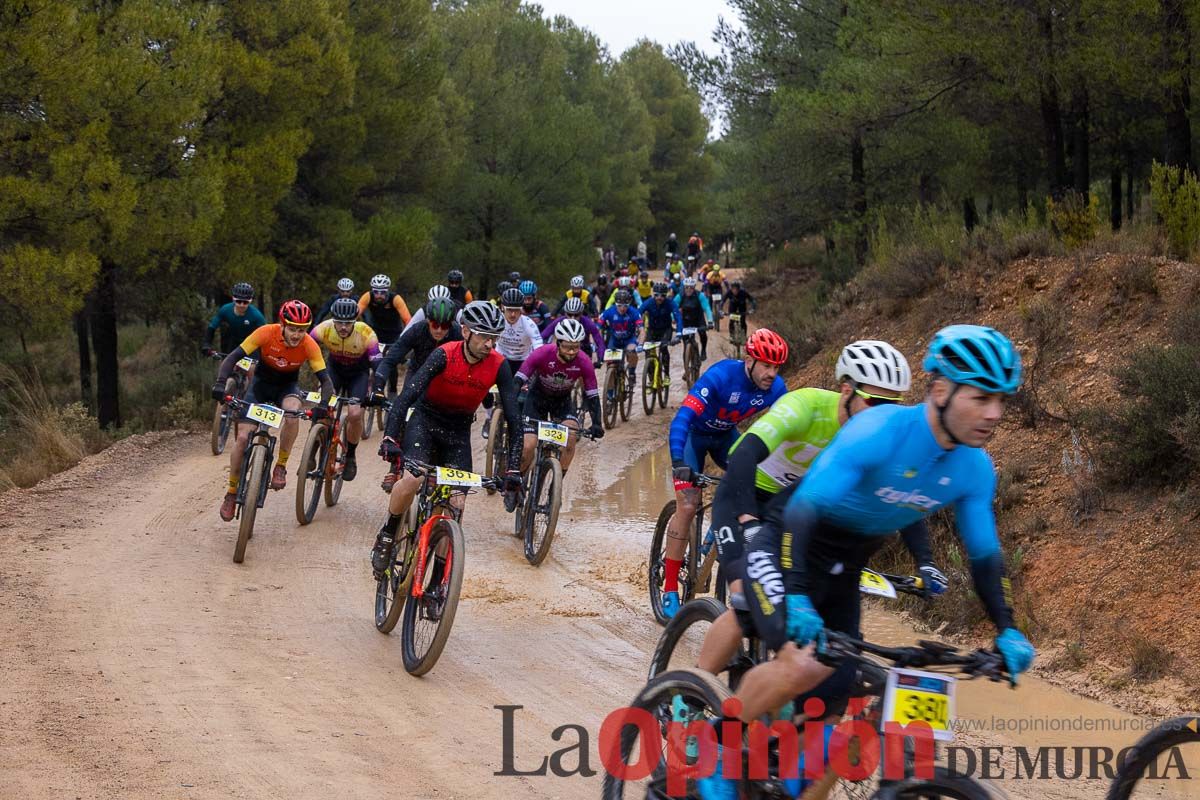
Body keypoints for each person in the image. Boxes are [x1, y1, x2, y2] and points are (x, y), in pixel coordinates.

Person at [697, 326, 1036, 799]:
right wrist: (795, 595)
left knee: (834, 704)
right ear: (941, 391)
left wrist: (1006, 628)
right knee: (801, 666)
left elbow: (984, 555)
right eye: (981, 398)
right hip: (788, 545)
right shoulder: (878, 431)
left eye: (1001, 401)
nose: (994, 413)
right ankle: (718, 751)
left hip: (845, 567)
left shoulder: (974, 468)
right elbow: (803, 510)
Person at [693, 341, 924, 681]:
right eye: (873, 402)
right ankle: (691, 694)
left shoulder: (876, 437)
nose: (881, 414)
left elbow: (893, 500)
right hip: (743, 493)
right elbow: (743, 458)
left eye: (891, 406)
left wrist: (925, 564)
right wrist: (748, 521)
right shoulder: (806, 405)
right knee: (744, 596)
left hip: (787, 504)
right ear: (847, 390)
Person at [371, 301, 523, 578]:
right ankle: (387, 534)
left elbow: (514, 419)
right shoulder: (444, 354)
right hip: (425, 422)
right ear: (465, 331)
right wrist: (391, 437)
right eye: (484, 336)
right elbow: (406, 397)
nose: (490, 344)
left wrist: (512, 468)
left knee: (455, 504)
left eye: (494, 338)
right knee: (413, 479)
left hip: (458, 433)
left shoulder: (498, 366)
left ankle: (438, 581)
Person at [659, 329, 789, 618]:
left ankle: (717, 533)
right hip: (694, 436)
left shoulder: (776, 389)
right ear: (748, 360)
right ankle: (669, 588)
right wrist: (679, 459)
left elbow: (788, 433)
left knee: (754, 486)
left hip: (726, 437)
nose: (772, 373)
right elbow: (683, 418)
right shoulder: (721, 376)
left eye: (776, 366)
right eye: (766, 365)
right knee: (689, 504)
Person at [210, 300, 334, 521]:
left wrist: (322, 406)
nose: (297, 334)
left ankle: (281, 465)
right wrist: (220, 384)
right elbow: (232, 358)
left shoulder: (309, 344)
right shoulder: (266, 333)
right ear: (282, 324)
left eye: (302, 329)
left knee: (293, 412)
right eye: (293, 328)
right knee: (241, 439)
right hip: (260, 386)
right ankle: (230, 492)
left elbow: (325, 381)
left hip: (286, 388)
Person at [374, 296, 464, 492]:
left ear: (452, 325)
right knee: (404, 411)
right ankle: (395, 467)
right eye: (434, 324)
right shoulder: (417, 330)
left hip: (444, 379)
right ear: (427, 320)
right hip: (417, 374)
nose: (439, 329)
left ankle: (435, 468)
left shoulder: (457, 334)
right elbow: (391, 359)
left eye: (445, 325)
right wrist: (379, 385)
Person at [515, 320, 605, 474]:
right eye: (567, 347)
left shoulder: (584, 362)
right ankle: (515, 485)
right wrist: (512, 407)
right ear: (558, 343)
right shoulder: (542, 353)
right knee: (528, 446)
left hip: (562, 402)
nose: (571, 352)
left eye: (576, 347)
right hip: (536, 399)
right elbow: (518, 381)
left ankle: (556, 484)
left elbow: (592, 395)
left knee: (570, 439)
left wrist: (597, 423)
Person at [308, 298, 381, 481]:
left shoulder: (366, 333)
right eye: (339, 322)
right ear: (333, 320)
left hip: (358, 375)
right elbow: (305, 346)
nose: (342, 327)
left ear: (354, 321)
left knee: (355, 414)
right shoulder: (324, 328)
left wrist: (378, 388)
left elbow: (378, 364)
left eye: (347, 323)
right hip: (334, 371)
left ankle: (350, 456)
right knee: (321, 405)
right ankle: (313, 449)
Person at [481, 287, 543, 437]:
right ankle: (490, 418)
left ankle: (524, 425)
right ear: (503, 307)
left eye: (516, 310)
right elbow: (484, 340)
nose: (513, 314)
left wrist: (537, 367)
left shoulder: (528, 324)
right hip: (502, 360)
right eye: (509, 310)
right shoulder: (497, 321)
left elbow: (538, 347)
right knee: (483, 387)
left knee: (524, 397)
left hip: (524, 363)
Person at [358, 274, 412, 395]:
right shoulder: (368, 296)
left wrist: (405, 337)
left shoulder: (395, 299)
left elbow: (408, 320)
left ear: (387, 291)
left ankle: (393, 392)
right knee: (366, 359)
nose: (379, 295)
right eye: (376, 292)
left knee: (391, 364)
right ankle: (363, 387)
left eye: (382, 292)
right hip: (376, 333)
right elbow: (355, 313)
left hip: (394, 335)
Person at [598, 289, 643, 398]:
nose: (622, 308)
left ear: (629, 304)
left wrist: (640, 344)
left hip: (629, 339)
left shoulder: (634, 312)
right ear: (615, 304)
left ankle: (631, 372)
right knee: (610, 366)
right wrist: (599, 343)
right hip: (615, 341)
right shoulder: (609, 312)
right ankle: (609, 395)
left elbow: (642, 330)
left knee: (631, 351)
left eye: (625, 306)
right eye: (619, 305)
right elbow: (598, 328)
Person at [202, 282, 267, 356]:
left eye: (245, 302)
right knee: (226, 366)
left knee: (251, 366)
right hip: (234, 343)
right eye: (238, 301)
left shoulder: (257, 316)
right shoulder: (225, 309)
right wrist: (207, 344)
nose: (241, 305)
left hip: (251, 345)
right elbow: (212, 327)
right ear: (233, 299)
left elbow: (265, 335)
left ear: (250, 301)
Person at [637, 282, 683, 382]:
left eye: (662, 295)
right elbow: (637, 314)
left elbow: (678, 317)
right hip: (652, 330)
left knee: (663, 348)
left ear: (665, 295)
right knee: (648, 352)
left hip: (666, 330)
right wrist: (636, 327)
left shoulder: (670, 303)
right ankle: (650, 379)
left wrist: (679, 333)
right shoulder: (649, 302)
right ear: (654, 295)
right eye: (657, 295)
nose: (659, 298)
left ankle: (666, 375)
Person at [540, 297, 605, 362]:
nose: (572, 318)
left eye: (576, 315)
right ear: (565, 313)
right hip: (563, 351)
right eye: (569, 314)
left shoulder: (588, 322)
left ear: (581, 313)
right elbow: (543, 335)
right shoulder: (559, 321)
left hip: (583, 350)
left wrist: (600, 358)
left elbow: (599, 342)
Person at [676, 278, 714, 360]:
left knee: (703, 334)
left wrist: (710, 321)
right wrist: (672, 318)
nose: (689, 289)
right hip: (686, 320)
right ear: (684, 287)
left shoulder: (700, 295)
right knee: (685, 344)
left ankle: (703, 350)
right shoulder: (680, 295)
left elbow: (707, 308)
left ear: (694, 287)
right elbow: (673, 308)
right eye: (687, 287)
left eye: (691, 287)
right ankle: (686, 368)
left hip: (698, 319)